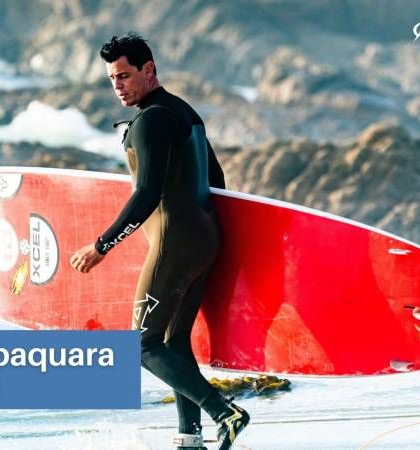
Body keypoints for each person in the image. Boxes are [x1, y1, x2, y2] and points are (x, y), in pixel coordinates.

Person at [69, 33, 250, 450]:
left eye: (125, 75)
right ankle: (190, 438)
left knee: (141, 345)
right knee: (172, 341)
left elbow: (148, 193)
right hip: (203, 239)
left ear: (149, 70)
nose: (118, 85)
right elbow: (216, 180)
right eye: (112, 78)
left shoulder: (151, 119)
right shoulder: (184, 112)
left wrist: (101, 246)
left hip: (175, 241)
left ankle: (225, 412)